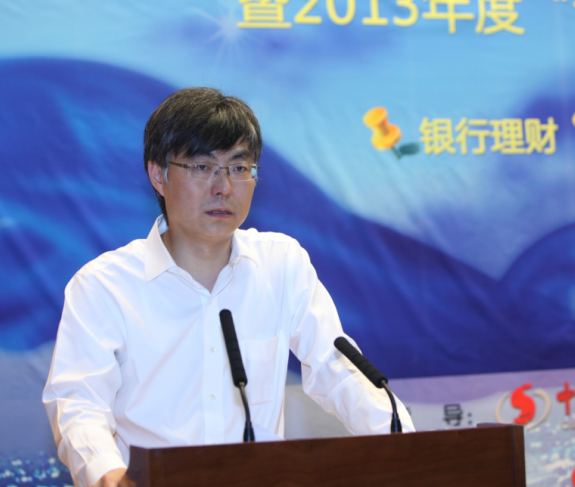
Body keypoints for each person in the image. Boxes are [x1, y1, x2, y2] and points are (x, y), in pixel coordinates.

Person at [43, 87, 414, 487]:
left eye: (239, 168)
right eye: (202, 167)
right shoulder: (103, 286)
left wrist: (410, 451)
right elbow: (79, 404)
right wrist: (109, 477)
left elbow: (336, 369)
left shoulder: (281, 264)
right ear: (158, 174)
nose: (223, 187)